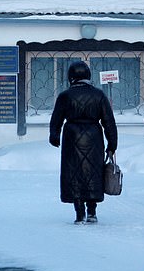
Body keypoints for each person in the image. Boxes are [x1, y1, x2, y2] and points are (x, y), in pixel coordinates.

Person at [49, 61, 118, 224]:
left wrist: (54, 136)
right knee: (93, 173)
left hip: (71, 137)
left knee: (74, 174)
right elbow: (109, 121)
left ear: (71, 77)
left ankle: (79, 213)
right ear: (88, 75)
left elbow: (56, 119)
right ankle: (92, 211)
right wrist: (112, 144)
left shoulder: (65, 96)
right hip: (94, 137)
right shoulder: (99, 95)